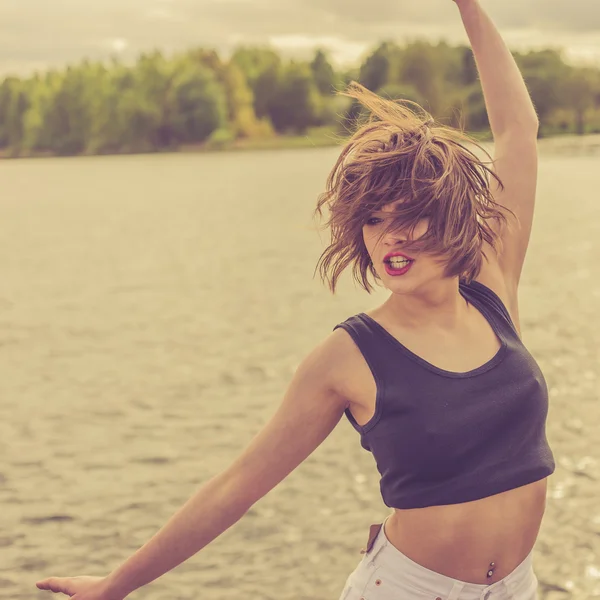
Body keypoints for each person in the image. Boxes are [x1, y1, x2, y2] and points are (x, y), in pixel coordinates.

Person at [35, 0, 554, 599]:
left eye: (410, 214)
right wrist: (117, 584)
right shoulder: (348, 357)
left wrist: (468, 6)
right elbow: (239, 486)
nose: (391, 236)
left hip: (518, 587)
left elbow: (519, 130)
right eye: (374, 219)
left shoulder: (493, 288)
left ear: (452, 214)